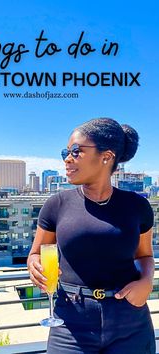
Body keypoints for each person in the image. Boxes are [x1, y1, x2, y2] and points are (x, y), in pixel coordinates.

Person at [27, 118, 156, 354]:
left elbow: (145, 255)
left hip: (130, 319)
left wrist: (146, 282)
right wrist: (34, 266)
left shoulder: (137, 206)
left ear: (106, 157)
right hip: (70, 322)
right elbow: (36, 253)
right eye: (66, 152)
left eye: (76, 152)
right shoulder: (56, 204)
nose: (67, 158)